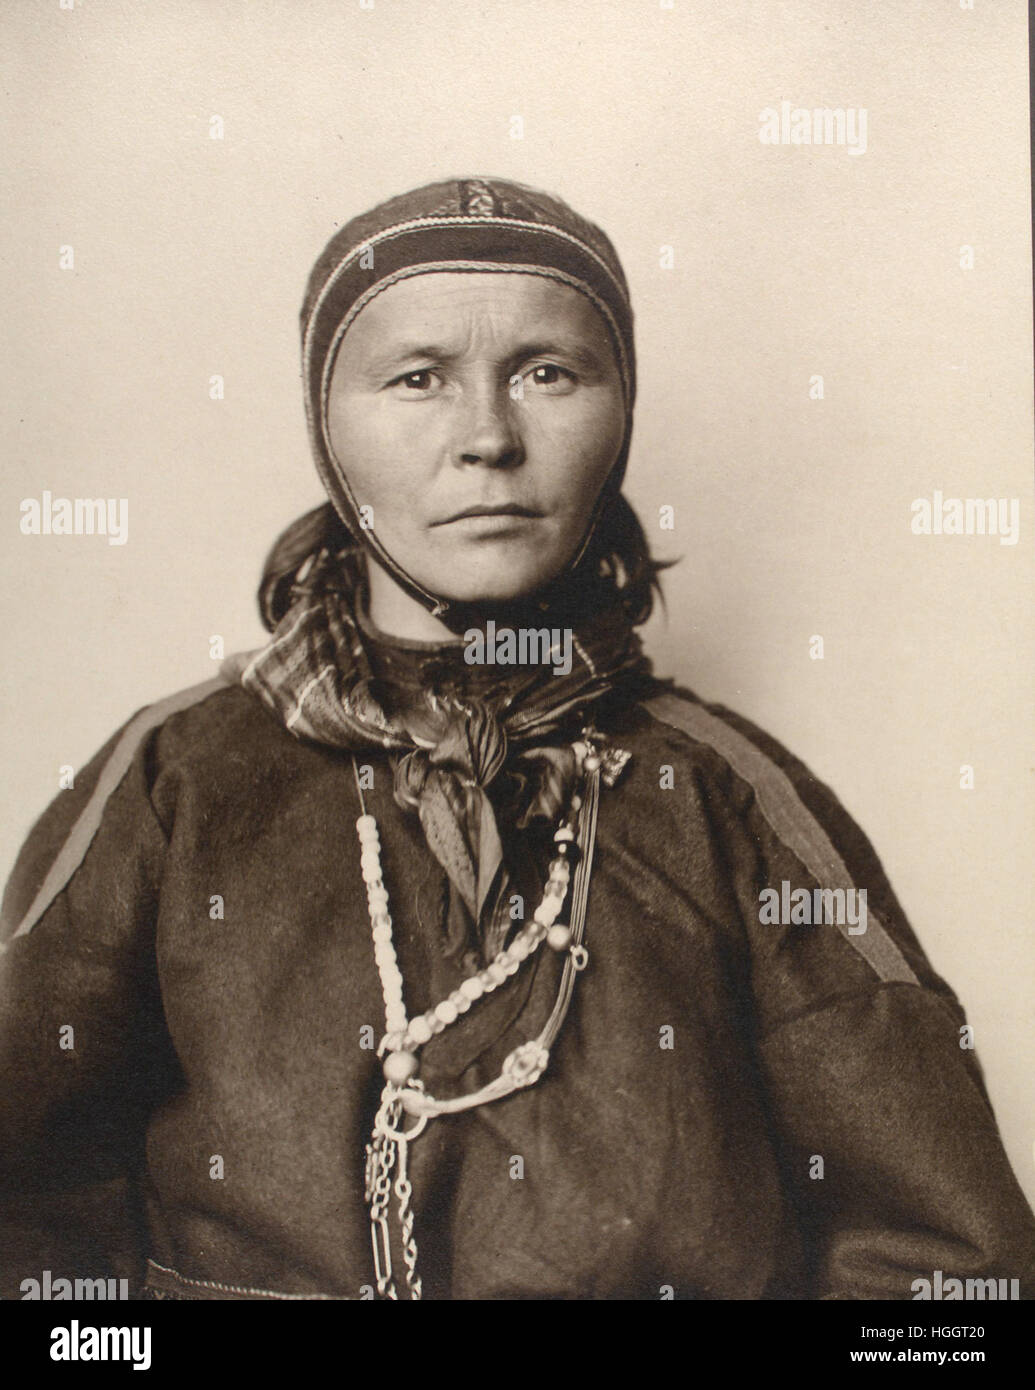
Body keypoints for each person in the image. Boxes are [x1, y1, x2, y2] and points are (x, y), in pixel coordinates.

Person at [2, 176, 1032, 1301]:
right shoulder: (171, 784)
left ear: (620, 411)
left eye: (548, 373)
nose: (487, 437)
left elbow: (953, 1282)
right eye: (417, 378)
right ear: (325, 427)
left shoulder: (735, 805)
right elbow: (30, 1219)